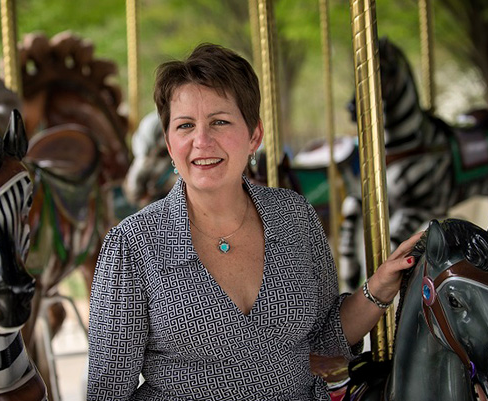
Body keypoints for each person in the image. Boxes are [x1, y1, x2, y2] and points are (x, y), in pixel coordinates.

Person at [87, 43, 423, 401]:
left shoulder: (294, 217)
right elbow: (108, 391)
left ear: (254, 136)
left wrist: (381, 287)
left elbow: (326, 340)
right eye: (185, 126)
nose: (202, 141)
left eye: (220, 121)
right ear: (170, 144)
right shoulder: (132, 245)